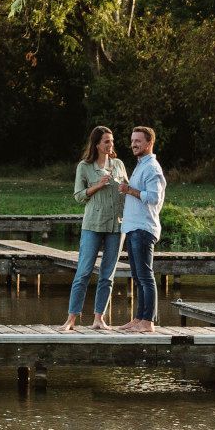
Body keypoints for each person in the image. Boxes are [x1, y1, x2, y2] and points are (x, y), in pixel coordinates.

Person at [67, 126, 127, 328]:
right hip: (92, 225)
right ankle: (71, 318)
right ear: (97, 144)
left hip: (116, 227)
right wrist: (98, 186)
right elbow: (78, 196)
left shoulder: (118, 164)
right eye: (106, 142)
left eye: (112, 141)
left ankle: (98, 318)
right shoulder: (84, 166)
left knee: (107, 275)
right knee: (83, 272)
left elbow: (127, 191)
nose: (111, 145)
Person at [116, 123, 165, 332]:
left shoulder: (152, 168)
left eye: (138, 141)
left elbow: (154, 197)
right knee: (137, 276)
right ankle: (138, 319)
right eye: (132, 140)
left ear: (149, 143)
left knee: (146, 275)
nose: (133, 144)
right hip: (134, 228)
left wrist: (129, 190)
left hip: (144, 228)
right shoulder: (140, 165)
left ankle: (148, 322)